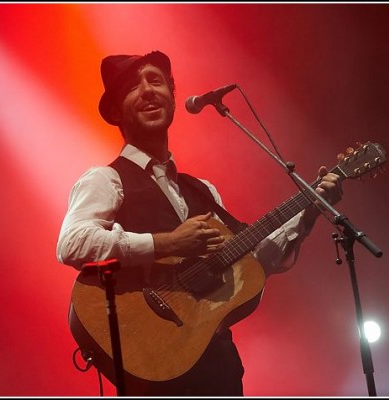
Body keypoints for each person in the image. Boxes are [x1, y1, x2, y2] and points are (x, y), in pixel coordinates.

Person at [56, 50, 343, 396]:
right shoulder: (105, 179)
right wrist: (167, 243)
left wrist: (309, 210)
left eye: (156, 81)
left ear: (173, 98)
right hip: (153, 366)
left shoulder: (202, 190)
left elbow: (249, 267)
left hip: (217, 370)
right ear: (116, 111)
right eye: (133, 86)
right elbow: (72, 243)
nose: (148, 90)